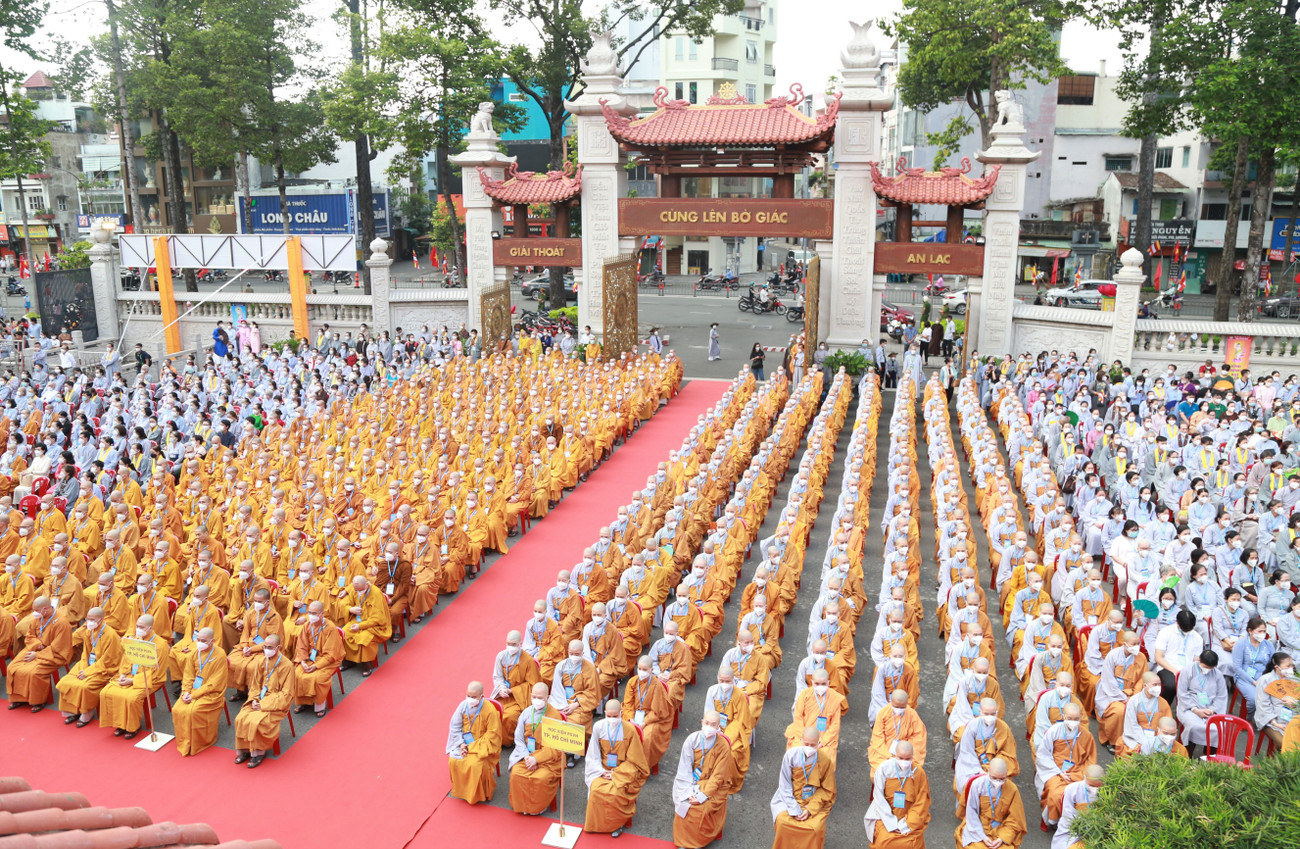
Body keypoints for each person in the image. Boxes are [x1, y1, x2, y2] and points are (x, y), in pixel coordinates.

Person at [583, 698, 650, 837]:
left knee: (615, 793)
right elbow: (592, 755)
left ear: (621, 713)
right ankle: (597, 824)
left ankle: (617, 824)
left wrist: (616, 774)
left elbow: (635, 760)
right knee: (596, 789)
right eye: (609, 716)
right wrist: (602, 772)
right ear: (605, 713)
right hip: (601, 769)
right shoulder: (598, 727)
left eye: (615, 716)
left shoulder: (630, 730)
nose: (612, 719)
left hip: (622, 772)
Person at [672, 711, 739, 848]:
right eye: (707, 723)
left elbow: (718, 776)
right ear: (702, 722)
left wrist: (703, 795)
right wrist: (688, 789)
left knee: (698, 808)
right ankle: (683, 841)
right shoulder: (692, 739)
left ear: (718, 726)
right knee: (683, 802)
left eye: (713, 724)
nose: (709, 727)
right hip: (691, 781)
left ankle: (696, 842)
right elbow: (684, 767)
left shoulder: (723, 746)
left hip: (713, 786)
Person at [769, 726, 837, 849]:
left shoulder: (825, 760)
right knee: (783, 823)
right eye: (806, 744)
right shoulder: (791, 755)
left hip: (814, 800)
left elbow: (827, 789)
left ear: (819, 744)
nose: (809, 748)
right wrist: (793, 808)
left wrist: (810, 809)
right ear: (801, 741)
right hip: (790, 798)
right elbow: (784, 784)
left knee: (814, 828)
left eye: (813, 745)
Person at [54, 606, 122, 727]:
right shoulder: (89, 631)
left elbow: (108, 660)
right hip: (87, 663)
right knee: (66, 681)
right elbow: (86, 652)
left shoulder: (110, 635)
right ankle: (72, 710)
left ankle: (86, 712)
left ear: (100, 620)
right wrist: (84, 667)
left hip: (105, 668)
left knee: (85, 686)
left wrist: (88, 672)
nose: (88, 622)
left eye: (92, 619)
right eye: (87, 619)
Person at [233, 634, 293, 768]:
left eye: (270, 647)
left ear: (279, 648)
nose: (266, 649)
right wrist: (254, 699)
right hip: (258, 698)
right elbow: (254, 686)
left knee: (256, 721)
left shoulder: (287, 665)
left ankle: (259, 752)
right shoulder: (261, 661)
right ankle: (245, 750)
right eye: (265, 646)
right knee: (240, 718)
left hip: (275, 703)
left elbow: (286, 694)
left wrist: (263, 705)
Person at [5, 595, 73, 712]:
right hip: (34, 648)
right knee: (12, 667)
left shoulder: (61, 622)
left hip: (53, 654)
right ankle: (19, 698)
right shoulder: (38, 618)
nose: (34, 613)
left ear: (45, 609)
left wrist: (37, 655)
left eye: (36, 610)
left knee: (34, 672)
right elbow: (29, 635)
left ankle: (38, 701)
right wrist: (37, 646)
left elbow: (59, 647)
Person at [172, 626, 229, 756]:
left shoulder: (220, 655)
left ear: (212, 641)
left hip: (211, 693)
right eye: (198, 639)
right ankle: (185, 740)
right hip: (192, 690)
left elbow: (214, 683)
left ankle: (200, 741)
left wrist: (193, 695)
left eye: (204, 640)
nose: (200, 643)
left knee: (193, 711)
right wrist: (186, 691)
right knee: (177, 709)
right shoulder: (194, 652)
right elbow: (188, 675)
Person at [862, 740, 930, 848]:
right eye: (901, 758)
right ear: (895, 755)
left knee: (912, 843)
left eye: (908, 759)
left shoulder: (918, 772)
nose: (904, 761)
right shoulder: (884, 769)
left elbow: (921, 802)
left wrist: (907, 824)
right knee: (884, 841)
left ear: (912, 757)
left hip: (909, 818)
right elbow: (879, 798)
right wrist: (891, 823)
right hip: (885, 816)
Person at [446, 680, 503, 805]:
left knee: (475, 765)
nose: (470, 699)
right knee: (454, 760)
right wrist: (461, 744)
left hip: (482, 746)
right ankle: (462, 791)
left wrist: (471, 747)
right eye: (468, 696)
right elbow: (455, 727)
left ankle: (477, 794)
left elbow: (493, 735)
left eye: (473, 697)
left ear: (481, 696)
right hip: (463, 743)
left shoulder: (490, 710)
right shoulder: (462, 706)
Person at [956, 758, 1028, 849]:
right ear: (988, 771)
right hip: (978, 826)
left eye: (1002, 779)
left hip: (1001, 828)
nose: (998, 782)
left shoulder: (1012, 789)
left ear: (1006, 773)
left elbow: (1016, 819)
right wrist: (982, 836)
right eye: (994, 778)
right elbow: (971, 812)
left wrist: (1002, 838)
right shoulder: (977, 785)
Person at [1053, 764, 1104, 849]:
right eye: (1092, 785)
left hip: (1098, 831)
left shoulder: (1108, 791)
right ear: (1085, 778)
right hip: (1074, 831)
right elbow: (1068, 816)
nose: (1095, 789)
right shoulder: (1072, 789)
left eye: (1098, 786)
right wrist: (1086, 827)